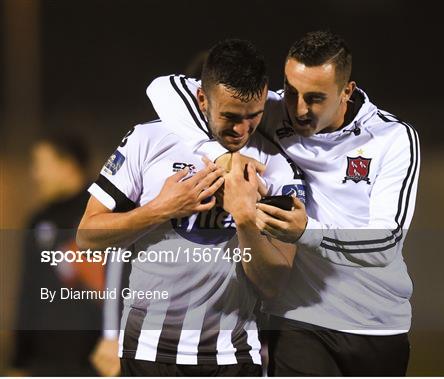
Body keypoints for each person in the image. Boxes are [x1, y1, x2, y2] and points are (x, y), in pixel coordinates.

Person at [146, 30, 420, 376]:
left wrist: (309, 231)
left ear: (346, 92)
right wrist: (219, 155)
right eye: (292, 91)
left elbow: (386, 242)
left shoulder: (392, 138)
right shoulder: (272, 113)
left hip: (376, 321)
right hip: (297, 317)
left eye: (315, 98)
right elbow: (162, 88)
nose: (299, 109)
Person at [77, 39, 302, 376]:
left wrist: (244, 220)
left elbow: (274, 283)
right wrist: (160, 209)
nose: (241, 130)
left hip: (233, 357)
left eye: (252, 117)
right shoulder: (147, 140)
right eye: (229, 116)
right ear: (201, 99)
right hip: (147, 351)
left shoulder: (275, 163)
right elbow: (86, 237)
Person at [9, 133, 102, 376]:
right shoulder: (39, 219)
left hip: (94, 360)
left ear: (67, 165)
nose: (35, 174)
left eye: (41, 165)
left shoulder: (101, 214)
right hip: (44, 361)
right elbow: (29, 291)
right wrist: (20, 359)